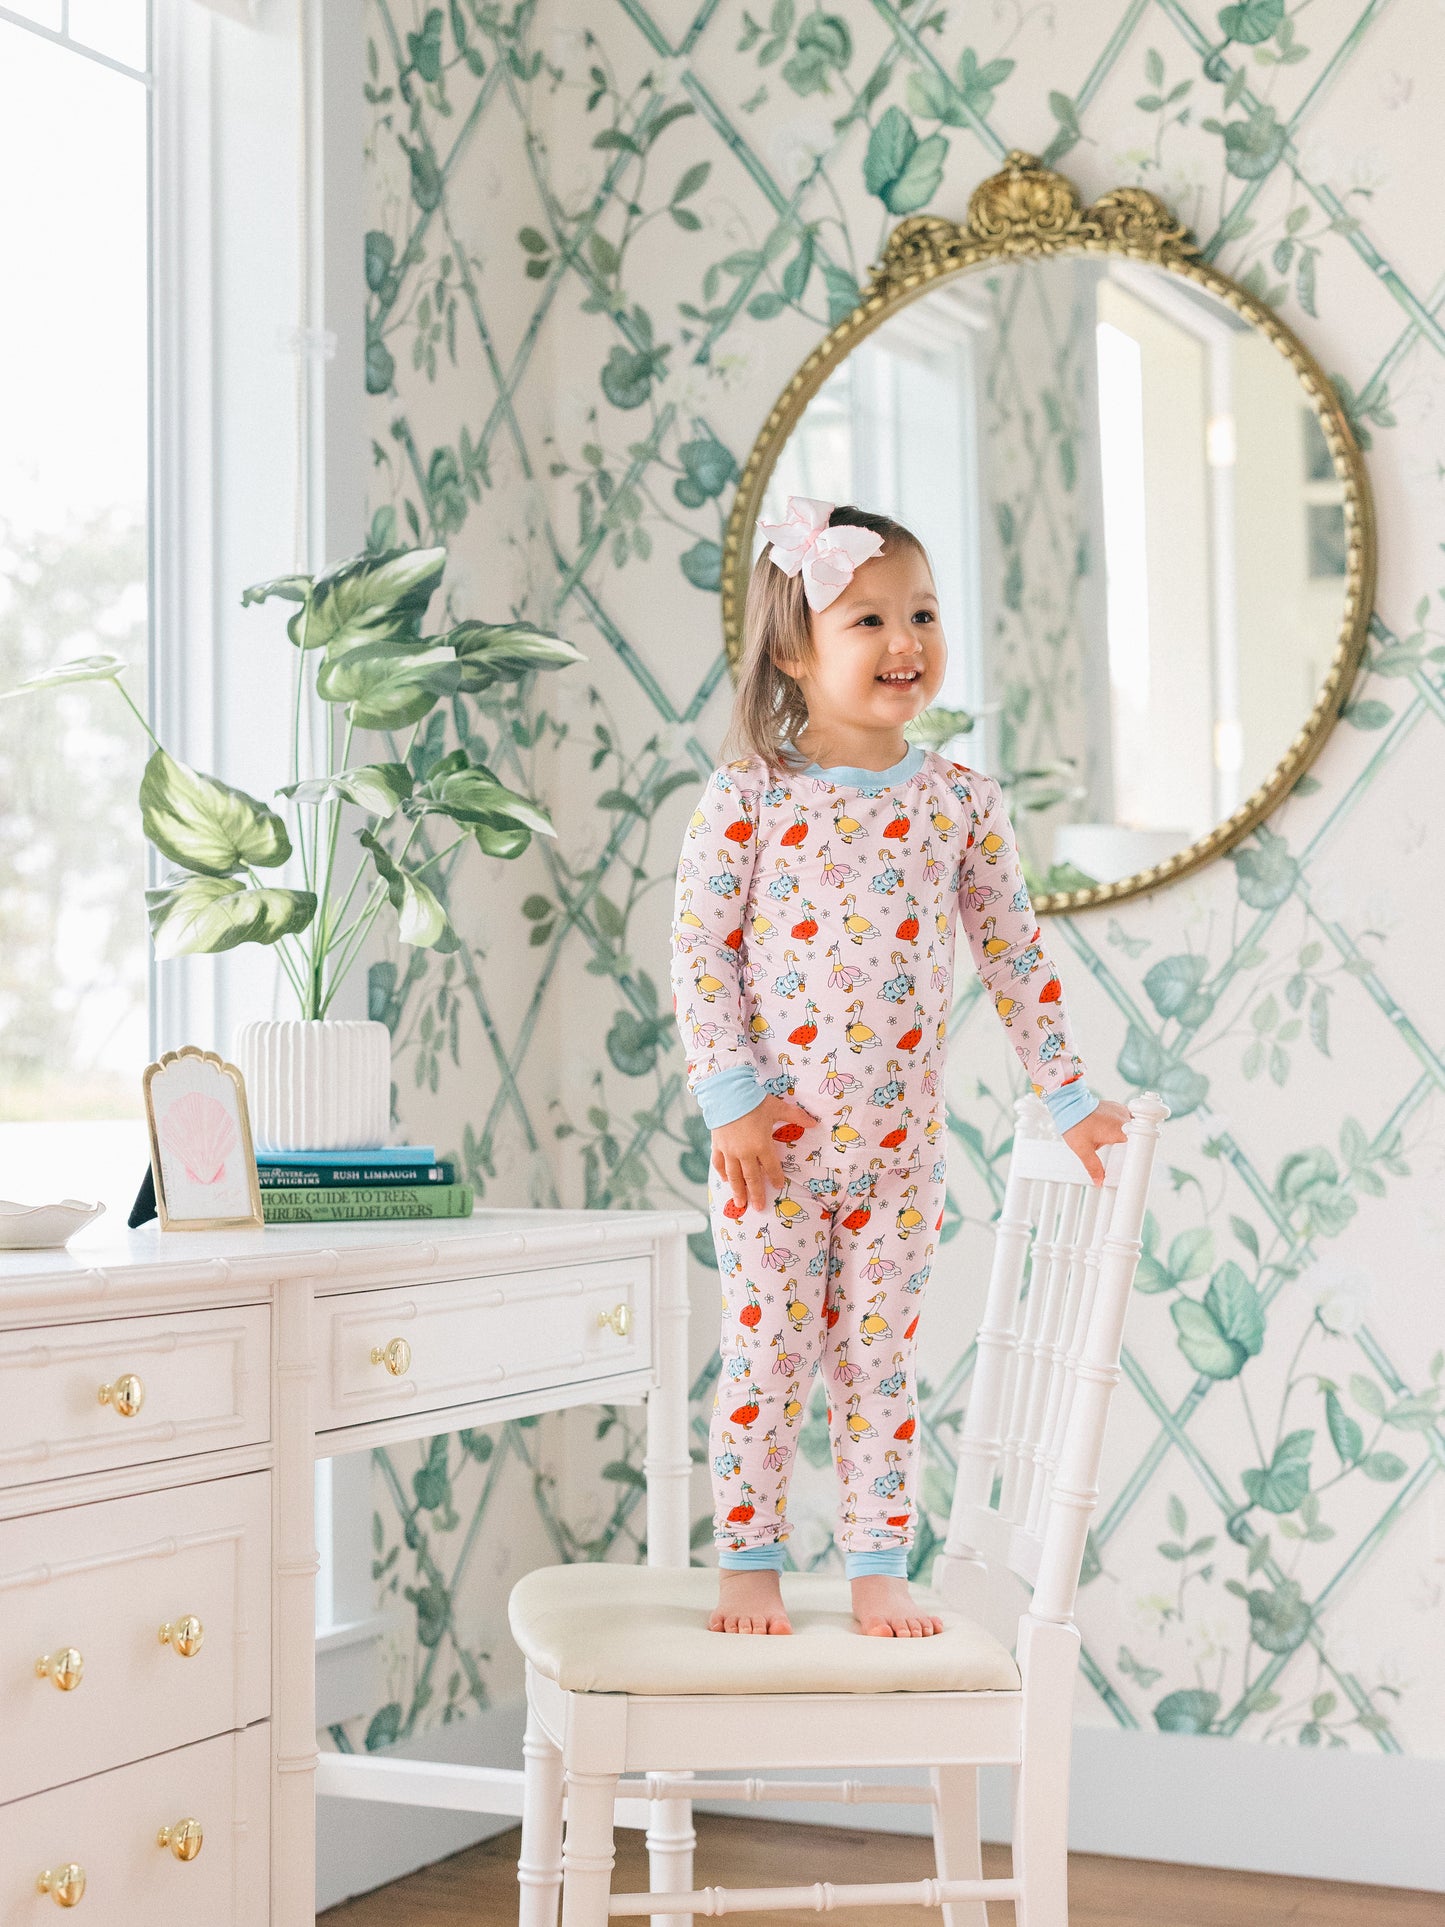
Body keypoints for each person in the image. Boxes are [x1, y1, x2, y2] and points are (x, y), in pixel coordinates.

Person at [668, 497, 1128, 1639]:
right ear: (794, 649)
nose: (902, 640)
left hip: (898, 1162)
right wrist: (729, 1096)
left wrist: (1064, 1093)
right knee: (767, 1354)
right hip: (768, 1155)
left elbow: (1016, 957)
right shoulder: (750, 797)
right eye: (866, 618)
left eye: (919, 612)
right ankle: (749, 1562)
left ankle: (878, 1564)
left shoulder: (958, 805)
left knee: (879, 1369)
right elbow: (698, 953)